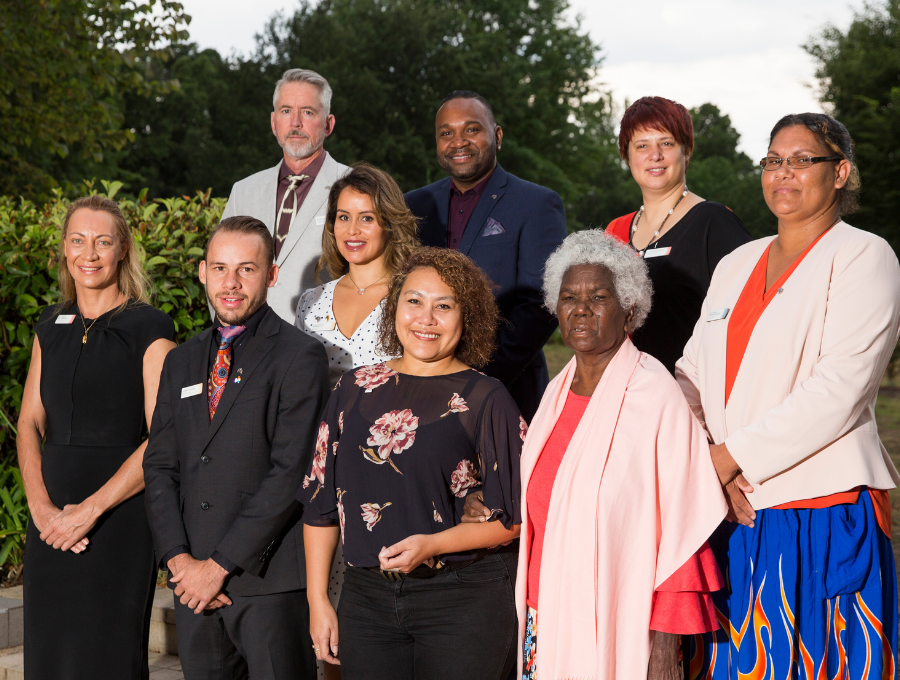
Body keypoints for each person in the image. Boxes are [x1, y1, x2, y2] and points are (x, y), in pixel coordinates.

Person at [676, 113, 900, 679]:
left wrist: (725, 461)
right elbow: (690, 376)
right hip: (733, 509)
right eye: (774, 160)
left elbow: (839, 389)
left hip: (820, 505)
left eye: (803, 160)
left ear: (840, 171)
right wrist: (708, 465)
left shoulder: (865, 256)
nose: (784, 173)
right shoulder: (735, 263)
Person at [466, 229, 729, 679]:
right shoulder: (554, 393)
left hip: (622, 620)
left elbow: (684, 536)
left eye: (599, 296)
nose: (582, 309)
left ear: (629, 309)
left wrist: (665, 652)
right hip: (544, 613)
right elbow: (548, 497)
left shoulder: (655, 394)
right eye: (569, 297)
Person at [301, 247, 524, 680]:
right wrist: (318, 601)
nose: (426, 318)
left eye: (444, 306)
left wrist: (433, 544)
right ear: (394, 308)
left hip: (463, 598)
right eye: (414, 301)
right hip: (366, 599)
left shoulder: (486, 398)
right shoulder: (353, 389)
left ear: (467, 316)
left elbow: (515, 518)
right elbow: (319, 503)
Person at [143, 216, 330, 680]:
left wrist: (219, 566)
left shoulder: (299, 356)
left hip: (265, 583)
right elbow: (160, 466)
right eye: (220, 268)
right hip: (193, 587)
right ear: (203, 272)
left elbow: (291, 472)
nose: (231, 283)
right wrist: (180, 561)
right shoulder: (181, 361)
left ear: (271, 275)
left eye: (247, 269)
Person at [17, 196, 176, 679]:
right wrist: (42, 510)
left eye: (103, 242)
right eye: (78, 241)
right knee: (50, 655)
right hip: (49, 516)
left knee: (107, 656)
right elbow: (28, 422)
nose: (90, 253)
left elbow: (164, 435)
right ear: (64, 250)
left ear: (123, 249)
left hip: (118, 518)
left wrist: (89, 511)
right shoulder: (50, 325)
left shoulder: (151, 327)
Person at [405, 90, 567, 422]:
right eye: (446, 133)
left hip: (505, 391)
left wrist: (473, 377)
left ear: (497, 135)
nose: (458, 141)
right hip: (418, 388)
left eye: (472, 129)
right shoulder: (412, 206)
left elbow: (540, 303)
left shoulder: (536, 203)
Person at [606, 96, 750, 373]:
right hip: (626, 393)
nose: (655, 155)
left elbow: (748, 317)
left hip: (691, 394)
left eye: (667, 143)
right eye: (642, 145)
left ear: (687, 151)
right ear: (627, 155)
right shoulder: (614, 231)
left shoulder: (715, 222)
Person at [221, 68, 350, 321]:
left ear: (328, 124)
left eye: (308, 112)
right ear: (273, 122)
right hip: (248, 343)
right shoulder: (243, 191)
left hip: (326, 347)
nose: (295, 123)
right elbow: (219, 271)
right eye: (286, 111)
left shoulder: (354, 188)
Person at [296, 163, 419, 387]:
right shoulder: (310, 302)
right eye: (343, 217)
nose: (352, 230)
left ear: (389, 223)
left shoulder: (412, 299)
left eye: (367, 218)